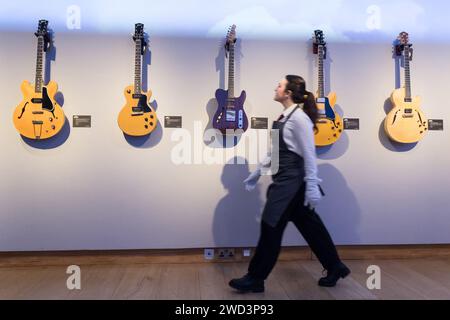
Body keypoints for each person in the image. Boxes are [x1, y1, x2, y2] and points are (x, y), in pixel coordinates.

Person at [229, 75, 350, 293]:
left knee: (270, 225)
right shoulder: (284, 116)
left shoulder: (299, 119)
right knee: (311, 227)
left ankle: (256, 278)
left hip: (291, 183)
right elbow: (276, 151)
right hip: (286, 180)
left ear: (288, 93)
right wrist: (257, 172)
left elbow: (309, 154)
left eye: (280, 85)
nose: (276, 87)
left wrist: (312, 185)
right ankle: (335, 266)